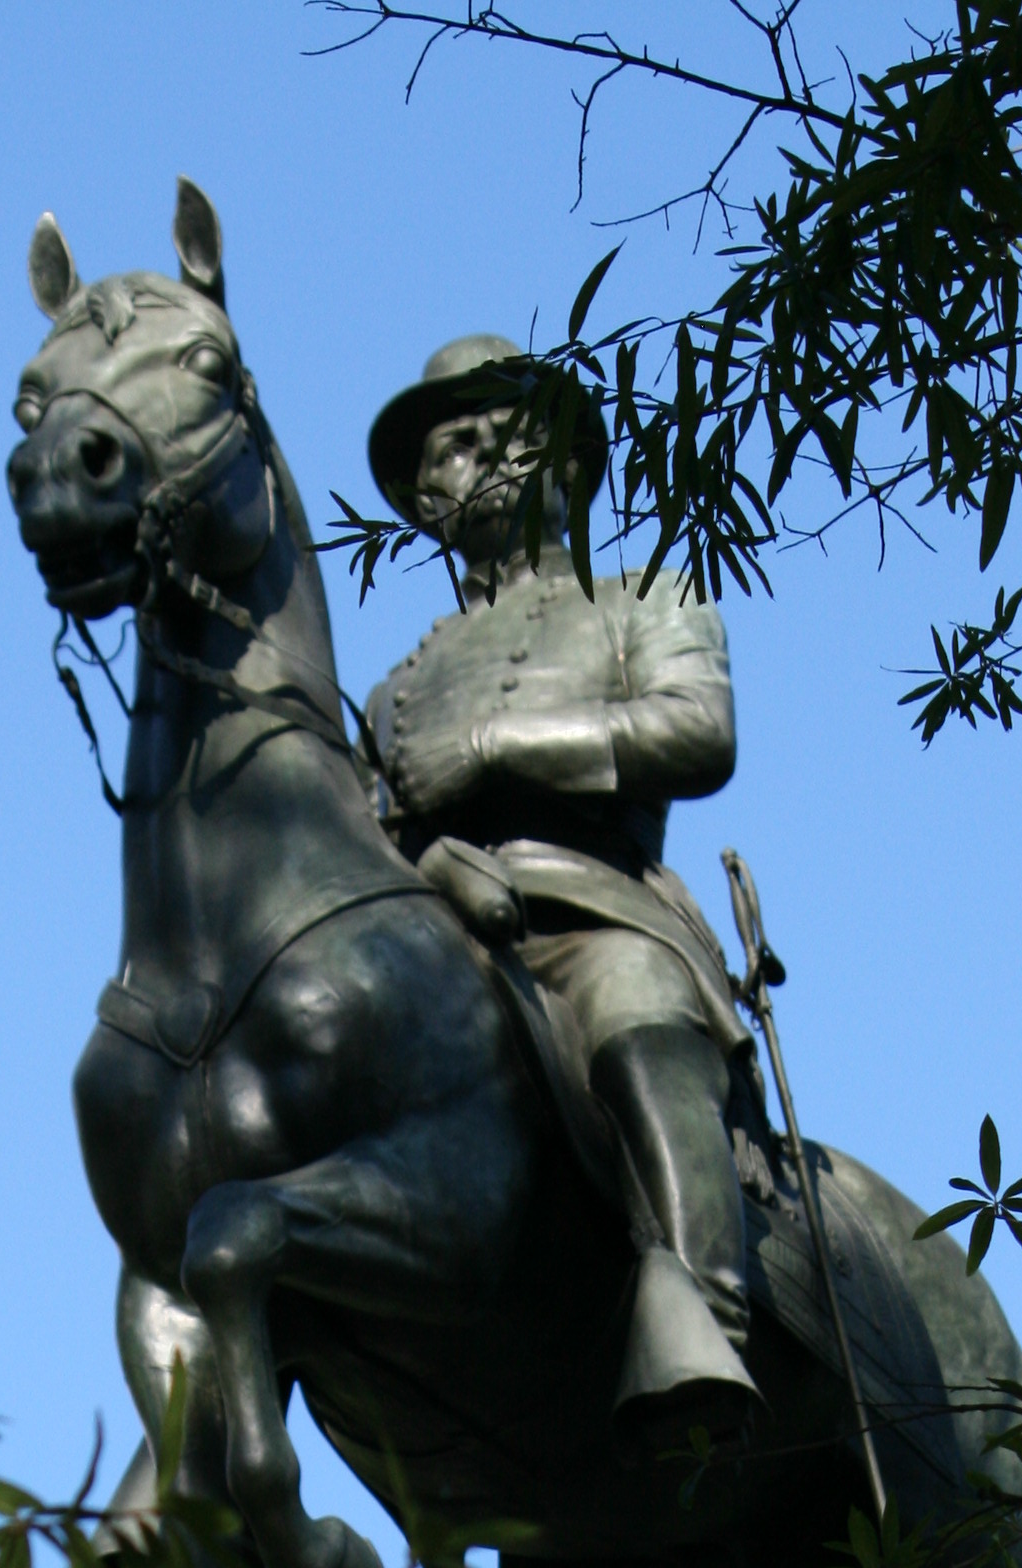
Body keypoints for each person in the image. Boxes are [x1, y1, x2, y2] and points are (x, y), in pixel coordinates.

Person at [364, 333, 764, 1450]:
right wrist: (430, 862)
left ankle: (706, 1315)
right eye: (454, 448)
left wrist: (495, 747)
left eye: (510, 436)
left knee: (636, 1013)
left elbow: (697, 730)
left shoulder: (646, 595)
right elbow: (363, 836)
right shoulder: (394, 691)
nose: (483, 460)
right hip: (437, 930)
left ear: (571, 468)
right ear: (423, 501)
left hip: (597, 909)